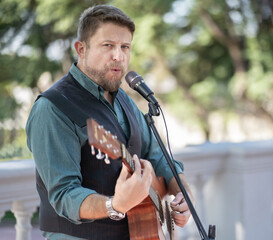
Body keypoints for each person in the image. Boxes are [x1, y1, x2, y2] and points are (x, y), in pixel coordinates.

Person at [26, 4, 193, 240]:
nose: (119, 55)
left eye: (125, 47)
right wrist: (115, 205)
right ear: (81, 49)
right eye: (108, 46)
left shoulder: (124, 99)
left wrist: (183, 194)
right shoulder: (52, 108)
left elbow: (158, 157)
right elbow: (64, 195)